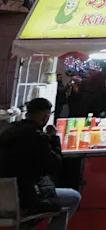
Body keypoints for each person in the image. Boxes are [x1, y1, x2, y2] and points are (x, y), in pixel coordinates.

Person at [0, 98, 81, 230]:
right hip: (27, 199)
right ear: (45, 116)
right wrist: (54, 139)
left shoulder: (7, 131)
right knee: (74, 197)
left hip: (5, 201)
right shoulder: (37, 138)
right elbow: (53, 166)